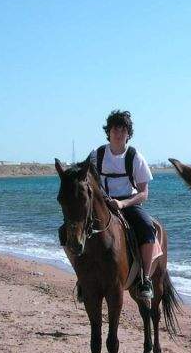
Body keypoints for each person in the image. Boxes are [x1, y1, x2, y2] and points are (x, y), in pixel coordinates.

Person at [64, 110, 156, 301]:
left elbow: (144, 193)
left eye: (123, 130)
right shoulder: (96, 154)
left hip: (127, 204)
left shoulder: (135, 157)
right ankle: (82, 277)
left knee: (148, 228)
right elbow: (80, 174)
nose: (118, 133)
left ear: (128, 133)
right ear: (109, 132)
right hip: (101, 203)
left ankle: (145, 279)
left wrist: (122, 203)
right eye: (115, 129)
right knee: (65, 232)